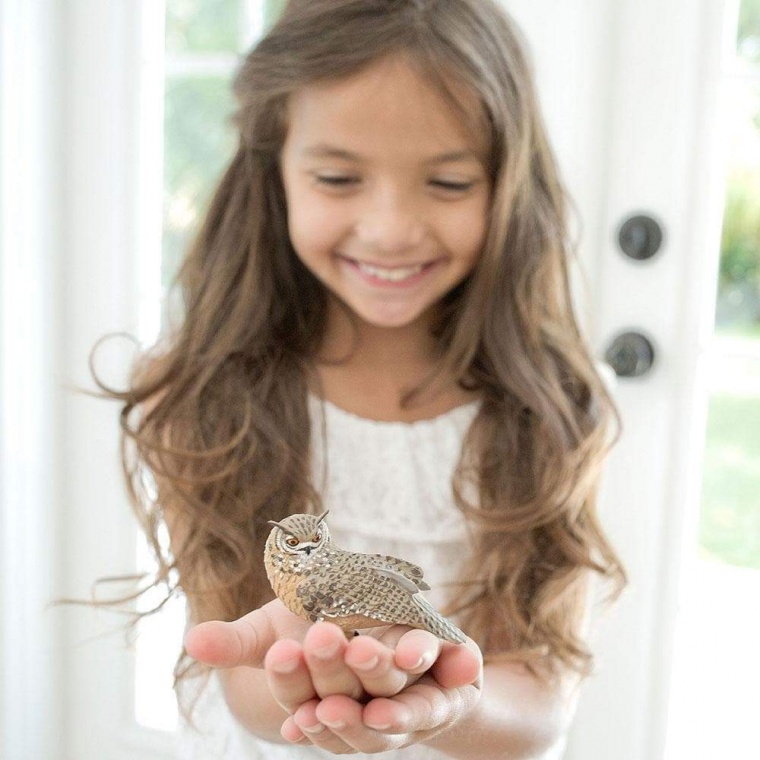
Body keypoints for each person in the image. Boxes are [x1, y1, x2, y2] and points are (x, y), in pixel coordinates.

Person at [112, 0, 625, 757]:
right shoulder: (199, 399)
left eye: (448, 183)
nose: (390, 229)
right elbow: (244, 685)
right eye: (338, 177)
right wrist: (304, 673)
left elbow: (540, 702)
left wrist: (446, 702)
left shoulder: (554, 411)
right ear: (273, 171)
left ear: (509, 185)